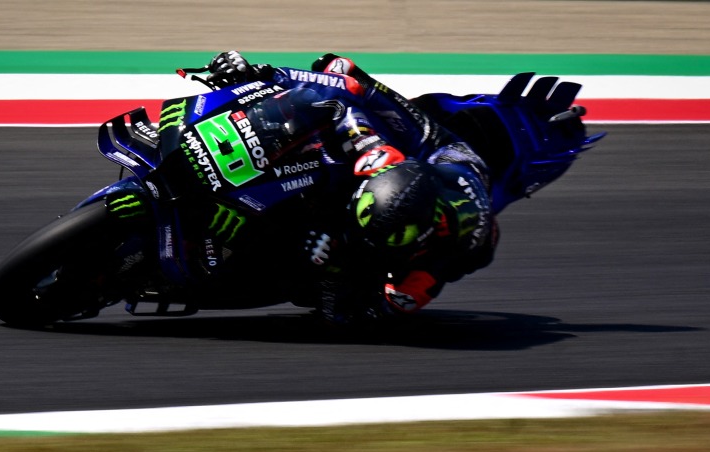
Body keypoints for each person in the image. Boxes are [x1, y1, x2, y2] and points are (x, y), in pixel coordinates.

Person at [204, 50, 499, 326]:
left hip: (425, 236)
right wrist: (260, 74)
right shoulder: (394, 153)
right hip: (425, 157)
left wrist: (331, 269)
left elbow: (369, 312)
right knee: (340, 73)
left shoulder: (431, 267)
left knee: (326, 283)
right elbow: (344, 94)